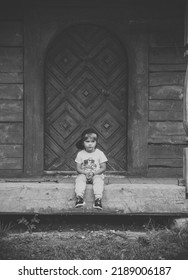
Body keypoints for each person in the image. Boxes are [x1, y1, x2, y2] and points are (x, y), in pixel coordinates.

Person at [74, 128, 108, 210]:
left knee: (98, 180)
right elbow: (78, 168)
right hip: (84, 174)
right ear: (83, 142)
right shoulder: (80, 154)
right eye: (87, 141)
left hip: (96, 174)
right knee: (79, 179)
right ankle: (79, 198)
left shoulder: (99, 153)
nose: (90, 144)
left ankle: (98, 199)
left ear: (96, 142)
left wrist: (94, 173)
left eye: (92, 142)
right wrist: (85, 173)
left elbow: (103, 167)